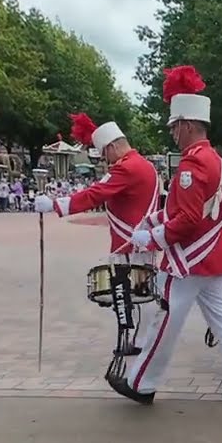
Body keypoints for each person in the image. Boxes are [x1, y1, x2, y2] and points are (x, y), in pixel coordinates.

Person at [122, 66, 222, 405]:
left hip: (188, 261)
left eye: (175, 127)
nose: (173, 133)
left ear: (187, 125)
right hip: (212, 257)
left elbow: (188, 219)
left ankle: (141, 383)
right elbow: (197, 209)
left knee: (165, 320)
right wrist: (155, 220)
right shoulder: (214, 160)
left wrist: (152, 238)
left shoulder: (192, 165)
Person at [34, 112, 162, 398]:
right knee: (140, 296)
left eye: (105, 154)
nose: (105, 161)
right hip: (137, 239)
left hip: (132, 241)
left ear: (113, 147)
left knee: (141, 296)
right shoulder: (143, 165)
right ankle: (139, 341)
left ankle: (146, 345)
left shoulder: (126, 167)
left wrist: (55, 205)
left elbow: (95, 194)